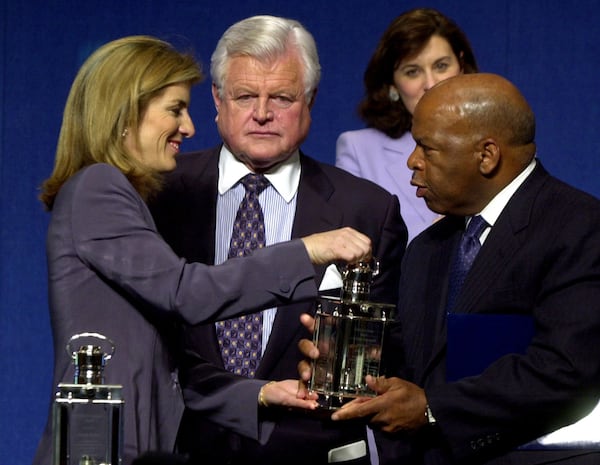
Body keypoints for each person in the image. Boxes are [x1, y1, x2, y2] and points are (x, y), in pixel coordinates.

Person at [32, 35, 374, 465]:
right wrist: (305, 251)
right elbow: (187, 292)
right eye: (175, 109)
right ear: (124, 113)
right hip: (103, 446)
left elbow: (167, 367)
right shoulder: (98, 189)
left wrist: (261, 392)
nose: (189, 127)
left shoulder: (121, 197)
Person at [149, 15, 407, 465]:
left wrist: (353, 359)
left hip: (308, 451)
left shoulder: (368, 209)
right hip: (180, 448)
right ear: (217, 98)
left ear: (309, 100)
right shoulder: (159, 196)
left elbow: (394, 356)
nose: (262, 113)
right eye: (246, 96)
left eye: (282, 98)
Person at [324, 73, 600, 464]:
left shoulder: (580, 228)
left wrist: (431, 407)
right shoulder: (426, 248)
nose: (412, 162)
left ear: (486, 155)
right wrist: (350, 359)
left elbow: (566, 370)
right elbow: (413, 365)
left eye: (427, 148)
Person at [336, 8, 478, 243]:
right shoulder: (359, 149)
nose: (431, 84)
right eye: (413, 72)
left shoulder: (497, 141)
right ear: (392, 85)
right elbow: (354, 245)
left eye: (441, 66)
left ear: (461, 67)